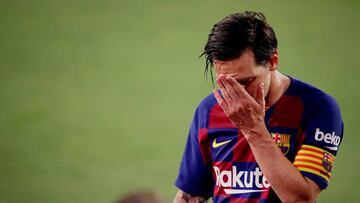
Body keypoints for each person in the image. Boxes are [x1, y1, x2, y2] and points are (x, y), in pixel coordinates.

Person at [173, 11, 344, 203]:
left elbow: (301, 199)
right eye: (226, 84)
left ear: (273, 61)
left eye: (246, 82)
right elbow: (191, 194)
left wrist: (253, 129)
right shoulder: (210, 110)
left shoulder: (317, 108)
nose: (238, 94)